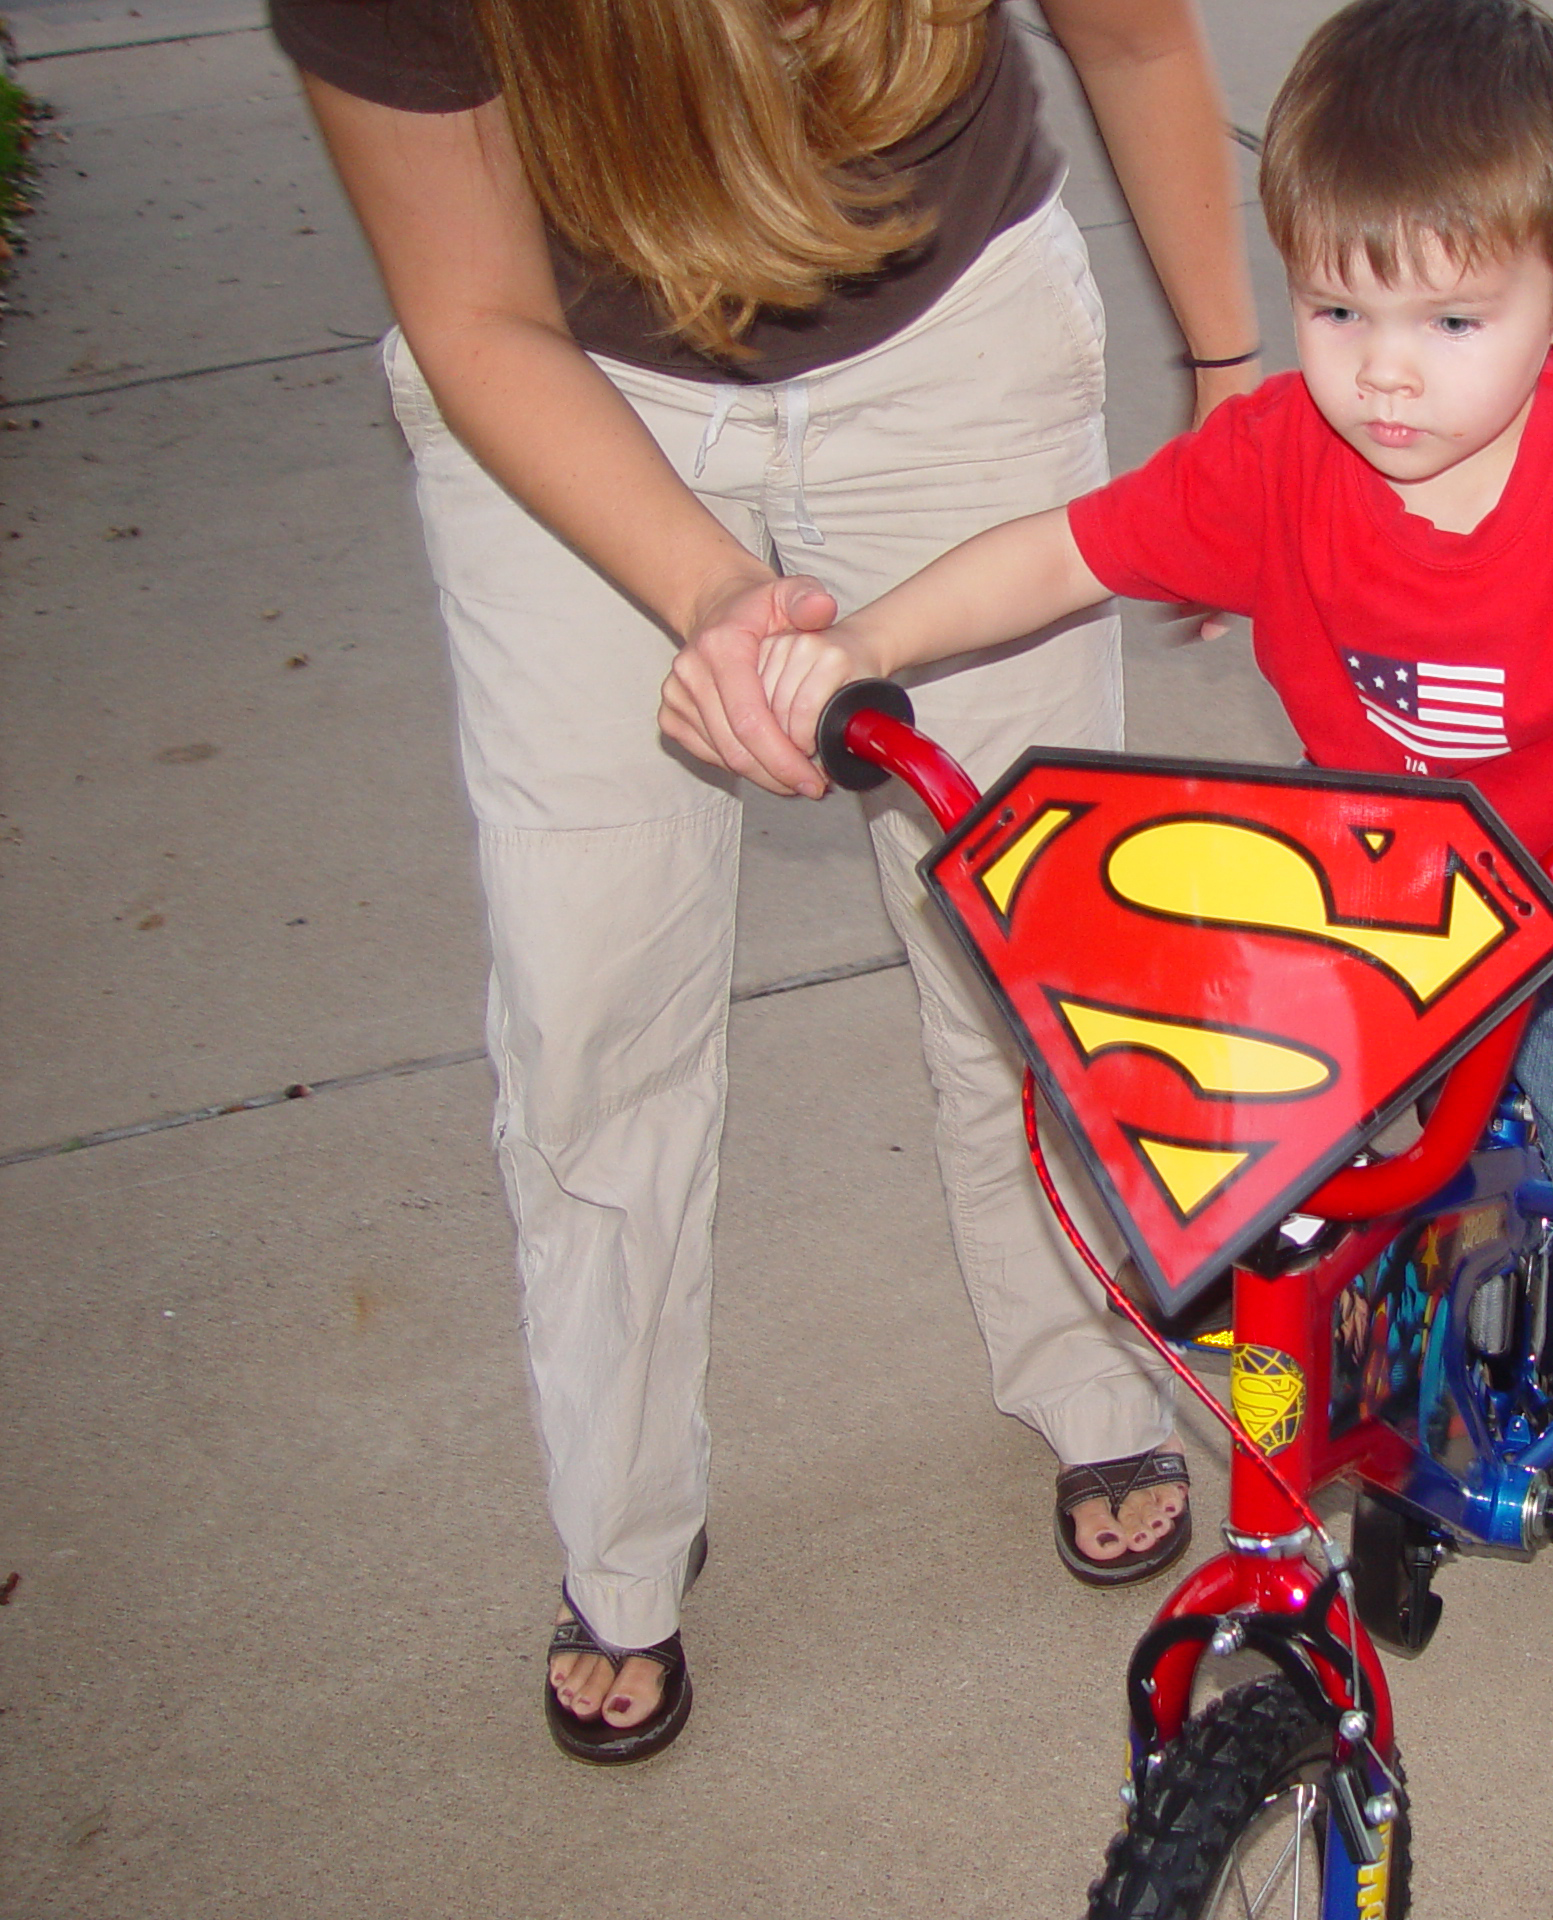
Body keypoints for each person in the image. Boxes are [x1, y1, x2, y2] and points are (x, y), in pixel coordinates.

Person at [697, 0, 1553, 1794]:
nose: (1385, 374)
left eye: (1450, 318)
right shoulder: (1285, 465)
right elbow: (1063, 550)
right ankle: (1397, 1440)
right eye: (1336, 312)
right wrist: (865, 644)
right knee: (1263, 1185)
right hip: (1387, 918)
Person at [277, 0, 1260, 1764]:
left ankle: (1089, 1362)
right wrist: (714, 598)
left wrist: (1228, 367)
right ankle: (624, 1537)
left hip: (952, 339)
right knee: (592, 1012)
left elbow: (1130, 39)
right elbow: (473, 304)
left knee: (1026, 943)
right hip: (563, 387)